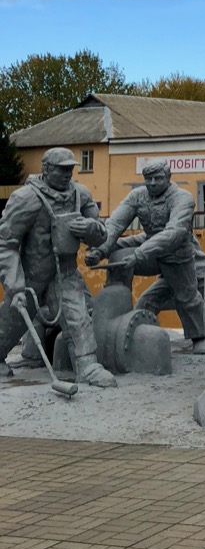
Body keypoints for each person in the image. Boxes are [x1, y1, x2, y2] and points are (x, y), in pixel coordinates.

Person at [0, 147, 116, 387]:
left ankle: (87, 365)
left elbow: (100, 234)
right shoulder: (26, 198)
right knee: (12, 321)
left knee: (78, 317)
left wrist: (91, 229)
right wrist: (15, 286)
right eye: (61, 170)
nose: (67, 174)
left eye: (70, 169)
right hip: (30, 276)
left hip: (65, 272)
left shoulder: (80, 195)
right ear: (46, 169)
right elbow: (6, 243)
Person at [86, 159, 205, 354]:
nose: (152, 183)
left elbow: (174, 233)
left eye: (157, 178)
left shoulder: (182, 198)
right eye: (148, 178)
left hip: (177, 252)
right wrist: (100, 250)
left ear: (168, 177)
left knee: (186, 296)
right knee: (117, 253)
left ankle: (200, 336)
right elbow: (115, 224)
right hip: (149, 243)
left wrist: (138, 255)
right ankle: (118, 319)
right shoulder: (138, 196)